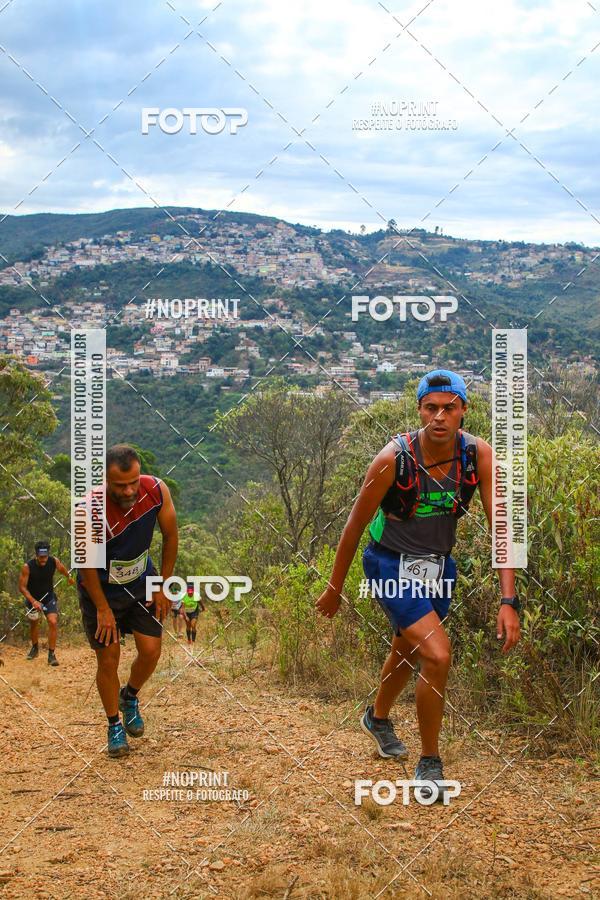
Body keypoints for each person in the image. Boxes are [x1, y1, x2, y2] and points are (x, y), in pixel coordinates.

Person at [316, 370, 521, 800]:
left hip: (437, 568)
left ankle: (376, 718)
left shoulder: (477, 456)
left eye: (450, 407)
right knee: (437, 653)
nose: (440, 416)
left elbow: (501, 527)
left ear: (464, 410)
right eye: (431, 408)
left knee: (408, 651)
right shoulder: (393, 459)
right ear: (420, 411)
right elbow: (354, 526)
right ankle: (429, 761)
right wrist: (335, 588)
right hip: (388, 564)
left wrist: (509, 598)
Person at [77, 445, 178, 758]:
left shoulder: (157, 490)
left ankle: (130, 696)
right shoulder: (89, 509)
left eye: (133, 481)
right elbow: (86, 566)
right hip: (101, 590)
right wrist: (102, 609)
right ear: (106, 481)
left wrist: (161, 583)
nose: (129, 489)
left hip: (141, 583)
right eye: (120, 485)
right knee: (108, 659)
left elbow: (171, 536)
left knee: (151, 651)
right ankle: (113, 725)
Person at [19, 541, 74, 666]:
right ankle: (35, 648)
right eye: (41, 557)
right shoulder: (27, 567)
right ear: (36, 554)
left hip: (48, 597)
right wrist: (33, 601)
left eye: (45, 556)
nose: (43, 559)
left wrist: (68, 576)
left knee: (53, 622)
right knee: (34, 623)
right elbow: (22, 587)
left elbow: (61, 568)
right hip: (32, 599)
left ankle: (51, 655)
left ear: (48, 554)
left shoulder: (53, 561)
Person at [181, 581, 205, 649]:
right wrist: (185, 616)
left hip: (194, 611)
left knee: (193, 625)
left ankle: (193, 641)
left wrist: (203, 609)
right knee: (188, 626)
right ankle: (189, 640)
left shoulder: (196, 595)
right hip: (187, 612)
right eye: (189, 592)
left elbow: (201, 603)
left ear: (193, 591)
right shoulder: (184, 596)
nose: (190, 593)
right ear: (187, 591)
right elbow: (183, 608)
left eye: (191, 592)